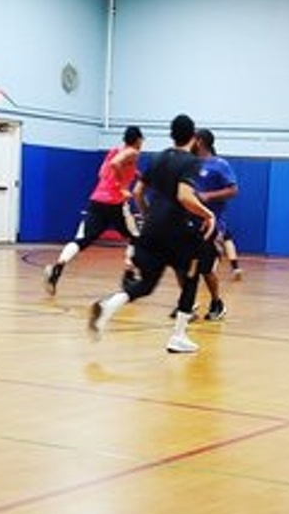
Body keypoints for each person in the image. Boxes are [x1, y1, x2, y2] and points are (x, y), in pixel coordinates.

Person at [88, 114, 215, 354]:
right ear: (194, 136)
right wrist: (208, 214)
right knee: (191, 277)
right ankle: (178, 336)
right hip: (177, 232)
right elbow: (184, 197)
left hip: (152, 230)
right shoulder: (191, 162)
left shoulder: (157, 158)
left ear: (171, 134)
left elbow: (137, 192)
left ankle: (108, 306)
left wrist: (147, 217)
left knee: (146, 284)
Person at [44, 126, 144, 294]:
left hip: (97, 200)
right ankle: (129, 274)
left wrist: (136, 175)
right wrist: (121, 187)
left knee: (81, 240)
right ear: (138, 140)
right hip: (116, 203)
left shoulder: (113, 150)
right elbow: (115, 164)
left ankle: (58, 267)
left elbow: (102, 173)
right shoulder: (133, 152)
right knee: (135, 237)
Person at [184, 127, 239, 321]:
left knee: (206, 269)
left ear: (199, 141)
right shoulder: (189, 164)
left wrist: (209, 195)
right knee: (187, 266)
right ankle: (187, 306)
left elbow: (233, 190)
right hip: (191, 222)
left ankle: (217, 303)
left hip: (212, 225)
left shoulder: (220, 164)